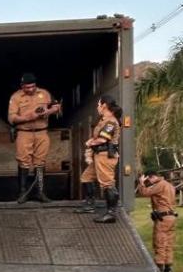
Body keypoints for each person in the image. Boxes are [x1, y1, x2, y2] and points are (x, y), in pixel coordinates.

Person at [8, 72, 61, 203]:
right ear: (22, 86)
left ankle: (40, 192)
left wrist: (47, 112)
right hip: (24, 133)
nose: (31, 89)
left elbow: (56, 106)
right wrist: (28, 117)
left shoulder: (44, 93)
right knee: (23, 162)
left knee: (40, 162)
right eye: (27, 87)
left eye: (33, 86)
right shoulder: (16, 97)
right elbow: (11, 118)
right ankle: (22, 193)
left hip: (42, 133)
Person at [74, 95, 122, 223]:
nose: (97, 107)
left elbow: (103, 139)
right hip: (98, 156)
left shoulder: (111, 121)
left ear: (104, 105)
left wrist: (90, 142)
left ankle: (111, 213)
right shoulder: (103, 120)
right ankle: (89, 205)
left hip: (105, 156)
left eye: (98, 104)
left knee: (107, 183)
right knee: (86, 177)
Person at [137, 169, 178, 272]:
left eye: (148, 179)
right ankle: (168, 267)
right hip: (171, 216)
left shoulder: (160, 185)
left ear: (151, 177)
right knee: (168, 242)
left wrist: (141, 183)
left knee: (159, 242)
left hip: (163, 218)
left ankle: (158, 268)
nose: (148, 182)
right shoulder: (169, 185)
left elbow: (145, 193)